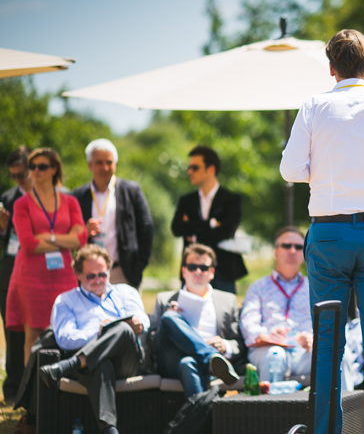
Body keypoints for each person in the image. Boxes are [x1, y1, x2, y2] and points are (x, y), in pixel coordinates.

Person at [280, 29, 364, 434]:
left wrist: (321, 173)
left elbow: (290, 170)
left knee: (328, 347)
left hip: (330, 235)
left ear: (331, 69)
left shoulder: (313, 106)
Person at [39, 245, 149, 434]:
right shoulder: (66, 301)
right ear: (79, 275)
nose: (98, 280)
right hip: (92, 366)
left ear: (108, 271)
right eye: (91, 276)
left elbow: (144, 320)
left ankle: (70, 364)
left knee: (122, 328)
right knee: (100, 363)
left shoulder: (126, 292)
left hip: (128, 360)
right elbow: (65, 339)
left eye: (103, 274)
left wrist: (138, 324)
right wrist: (97, 332)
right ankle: (109, 429)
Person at [6, 147, 87, 362]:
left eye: (41, 166)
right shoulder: (21, 204)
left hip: (63, 276)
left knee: (66, 331)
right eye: (32, 167)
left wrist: (48, 237)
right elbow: (29, 244)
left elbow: (81, 239)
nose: (35, 171)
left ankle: (60, 392)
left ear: (54, 169)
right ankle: (32, 393)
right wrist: (64, 239)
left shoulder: (70, 202)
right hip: (31, 278)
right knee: (33, 335)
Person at [151, 243, 242, 398]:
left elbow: (238, 342)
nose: (198, 271)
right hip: (173, 359)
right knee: (169, 318)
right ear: (184, 271)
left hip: (192, 364)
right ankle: (211, 357)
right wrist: (167, 322)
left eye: (204, 268)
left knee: (188, 363)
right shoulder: (165, 299)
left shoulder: (228, 300)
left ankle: (201, 417)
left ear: (211, 272)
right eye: (192, 267)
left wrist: (224, 345)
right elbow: (152, 341)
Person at [72, 138, 154, 288]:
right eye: (99, 162)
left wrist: (139, 265)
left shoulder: (131, 190)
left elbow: (146, 227)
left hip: (123, 272)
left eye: (109, 162)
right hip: (89, 274)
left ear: (115, 164)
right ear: (89, 165)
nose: (105, 167)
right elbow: (69, 234)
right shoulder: (78, 196)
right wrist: (85, 231)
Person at [240, 227, 313, 382]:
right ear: (276, 252)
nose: (292, 251)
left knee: (339, 356)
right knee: (275, 355)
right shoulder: (258, 287)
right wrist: (266, 337)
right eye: (286, 246)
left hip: (304, 353)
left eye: (298, 247)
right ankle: (273, 406)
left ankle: (344, 406)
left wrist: (312, 339)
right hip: (267, 350)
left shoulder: (314, 288)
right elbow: (248, 322)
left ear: (304, 254)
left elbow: (326, 324)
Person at [171, 146, 246, 293]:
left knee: (224, 314)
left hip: (223, 272)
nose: (189, 172)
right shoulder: (186, 200)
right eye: (189, 167)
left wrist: (193, 232)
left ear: (211, 169)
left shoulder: (231, 199)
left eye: (195, 167)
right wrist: (211, 224)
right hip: (192, 270)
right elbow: (176, 228)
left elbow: (226, 231)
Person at [0, 146, 32, 399]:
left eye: (22, 174)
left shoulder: (48, 196)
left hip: (41, 272)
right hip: (11, 272)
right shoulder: (7, 198)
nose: (18, 180)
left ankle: (35, 385)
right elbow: (6, 242)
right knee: (12, 329)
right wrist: (1, 228)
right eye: (14, 176)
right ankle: (12, 387)